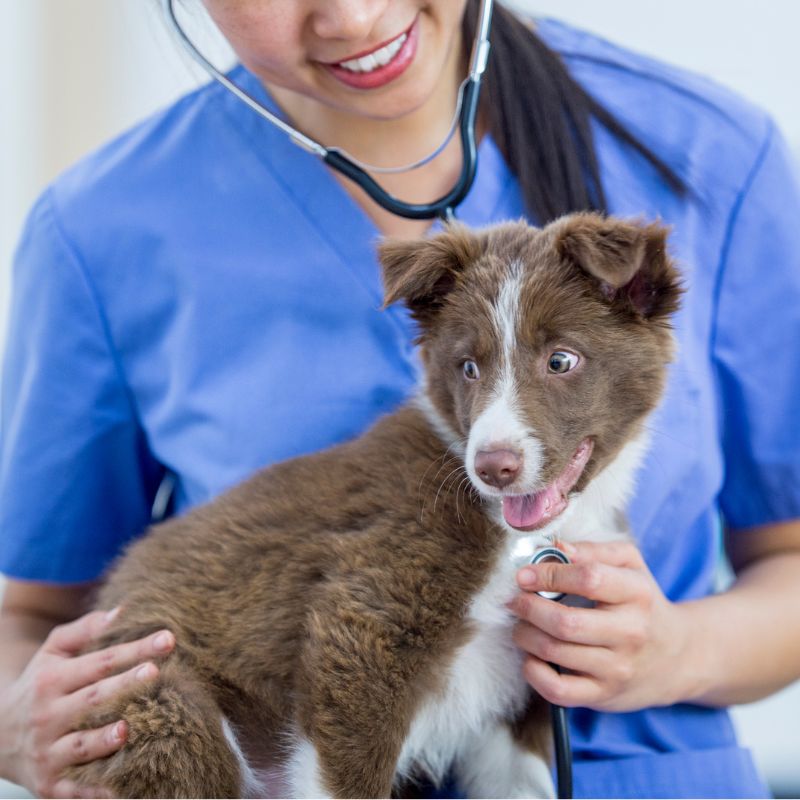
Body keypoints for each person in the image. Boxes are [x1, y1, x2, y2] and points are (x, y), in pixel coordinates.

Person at [1, 1, 799, 797]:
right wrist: (12, 727)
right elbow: (31, 615)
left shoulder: (712, 153)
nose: (351, 18)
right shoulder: (99, 230)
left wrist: (679, 650)